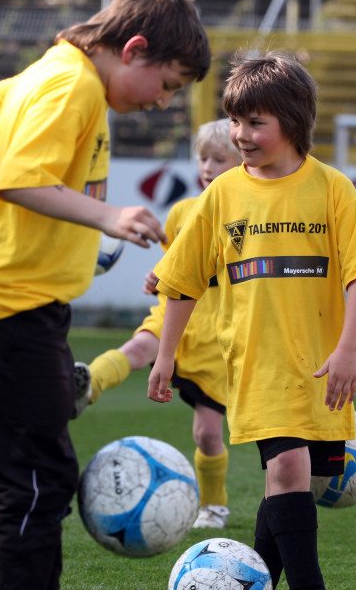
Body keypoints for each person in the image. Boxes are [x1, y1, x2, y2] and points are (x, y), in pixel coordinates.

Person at [0, 0, 211, 590]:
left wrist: (34, 183)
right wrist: (107, 216)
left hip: (26, 305)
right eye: (167, 83)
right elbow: (16, 182)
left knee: (47, 474)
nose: (163, 101)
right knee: (32, 480)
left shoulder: (58, 70)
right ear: (135, 49)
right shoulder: (72, 86)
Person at [147, 51, 356, 590]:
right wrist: (165, 354)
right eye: (236, 121)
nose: (240, 135)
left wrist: (348, 351)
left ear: (294, 121)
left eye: (255, 123)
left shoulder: (331, 189)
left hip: (321, 366)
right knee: (285, 468)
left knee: (292, 482)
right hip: (257, 363)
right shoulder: (223, 195)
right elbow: (181, 282)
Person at [76, 118, 241, 529]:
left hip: (214, 334)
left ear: (242, 162)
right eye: (203, 158)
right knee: (137, 348)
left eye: (219, 159)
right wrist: (157, 277)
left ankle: (214, 504)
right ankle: (83, 387)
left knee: (206, 433)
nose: (208, 167)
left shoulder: (246, 215)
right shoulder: (184, 211)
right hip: (173, 315)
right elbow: (174, 264)